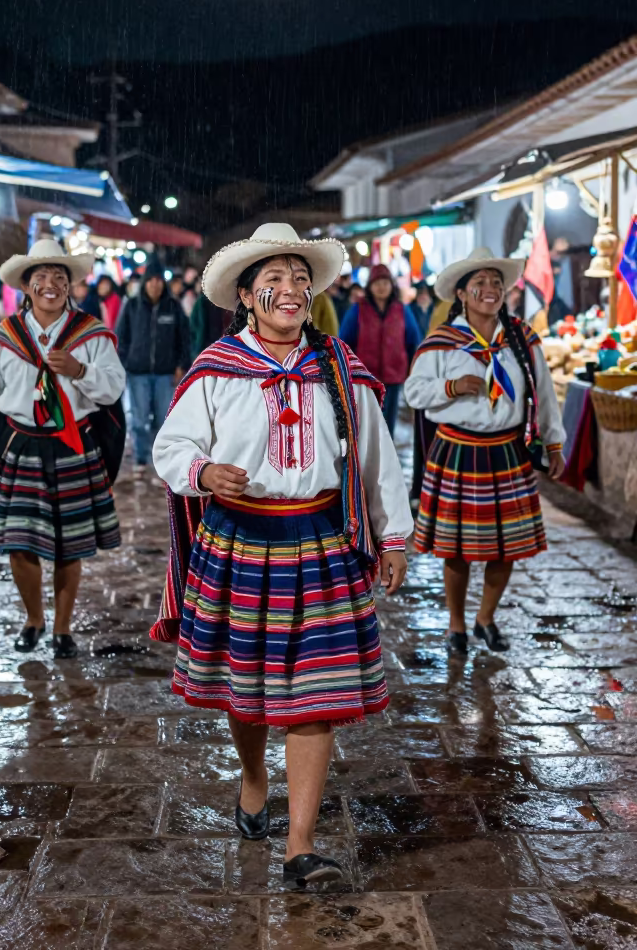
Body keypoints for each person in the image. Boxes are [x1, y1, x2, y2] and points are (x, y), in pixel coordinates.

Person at [151, 222, 412, 887]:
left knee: (314, 697)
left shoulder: (338, 368)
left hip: (320, 545)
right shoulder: (217, 370)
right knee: (248, 693)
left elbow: (377, 458)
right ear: (246, 296)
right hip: (238, 543)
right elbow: (171, 448)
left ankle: (299, 846)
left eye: (300, 279)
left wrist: (392, 536)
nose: (291, 290)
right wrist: (205, 472)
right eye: (275, 280)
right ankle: (251, 773)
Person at [0, 238, 125, 658]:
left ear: (70, 286)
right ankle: (34, 619)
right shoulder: (4, 338)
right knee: (20, 544)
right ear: (27, 287)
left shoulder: (91, 335)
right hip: (22, 447)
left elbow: (114, 387)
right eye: (42, 277)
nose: (51, 284)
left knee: (70, 545)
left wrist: (80, 369)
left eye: (60, 277)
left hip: (73, 446)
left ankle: (63, 629)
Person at [404, 246, 565, 656]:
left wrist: (554, 443)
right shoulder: (443, 343)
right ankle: (456, 623)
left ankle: (485, 618)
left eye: (496, 282)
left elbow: (543, 393)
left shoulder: (521, 339)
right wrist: (451, 387)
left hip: (508, 452)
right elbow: (414, 391)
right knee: (456, 548)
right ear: (462, 293)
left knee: (505, 545)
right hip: (458, 451)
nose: (490, 289)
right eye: (480, 283)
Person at [117, 256, 191, 469]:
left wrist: (181, 366)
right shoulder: (132, 306)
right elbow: (121, 338)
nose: (155, 284)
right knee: (139, 421)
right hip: (137, 372)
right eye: (151, 280)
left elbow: (184, 340)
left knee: (164, 420)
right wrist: (123, 363)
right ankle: (141, 457)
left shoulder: (174, 307)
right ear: (145, 282)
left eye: (159, 280)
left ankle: (161, 459)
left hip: (165, 373)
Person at [339, 264, 420, 437]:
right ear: (370, 287)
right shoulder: (358, 310)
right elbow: (344, 342)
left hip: (393, 376)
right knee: (366, 423)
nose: (381, 287)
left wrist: (413, 370)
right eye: (377, 283)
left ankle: (386, 459)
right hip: (364, 378)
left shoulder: (402, 310)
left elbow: (413, 340)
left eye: (385, 283)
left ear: (392, 286)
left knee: (388, 423)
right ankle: (366, 459)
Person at [189, 290, 231, 359]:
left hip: (216, 348)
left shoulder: (221, 304)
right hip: (204, 348)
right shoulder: (201, 303)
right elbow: (194, 329)